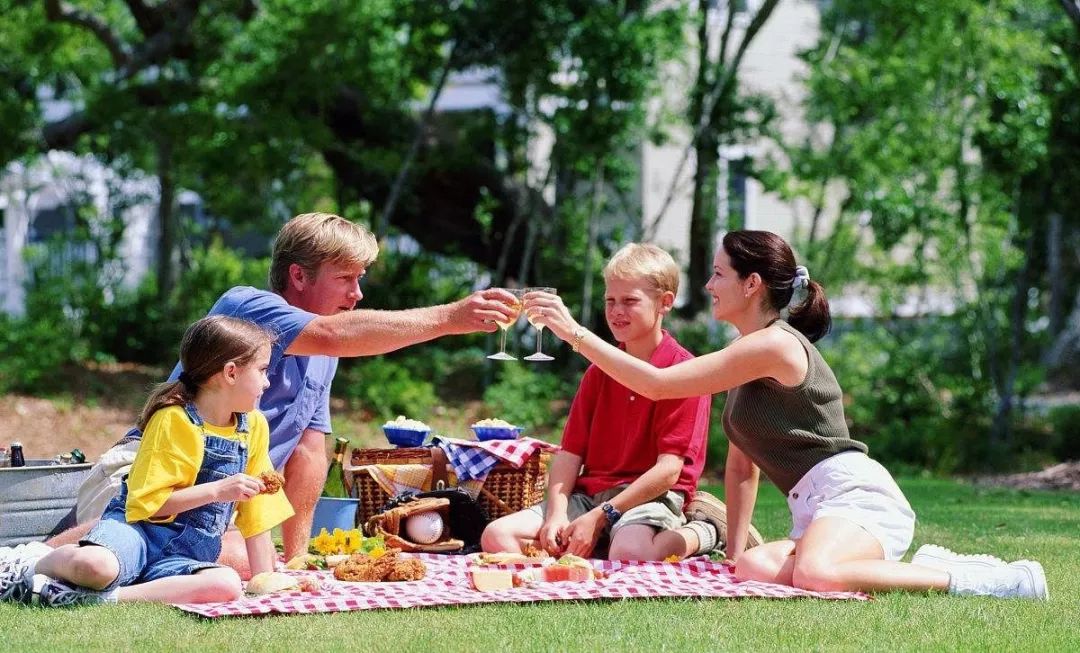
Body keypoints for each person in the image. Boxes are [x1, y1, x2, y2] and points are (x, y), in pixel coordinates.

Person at [523, 230, 1048, 599]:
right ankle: (867, 563)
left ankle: (979, 579)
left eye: (718, 274)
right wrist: (732, 546)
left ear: (751, 285)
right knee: (751, 568)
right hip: (813, 507)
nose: (709, 286)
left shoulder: (773, 346)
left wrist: (573, 333)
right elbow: (741, 466)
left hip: (853, 493)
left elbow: (658, 385)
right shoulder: (746, 350)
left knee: (817, 574)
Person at [1, 212, 517, 576]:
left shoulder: (325, 350)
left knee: (251, 562)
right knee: (196, 550)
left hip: (222, 500)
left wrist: (293, 561)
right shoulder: (246, 308)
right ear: (298, 276)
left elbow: (310, 452)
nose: (358, 294)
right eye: (346, 279)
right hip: (144, 476)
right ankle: (24, 559)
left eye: (360, 280)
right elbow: (337, 333)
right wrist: (450, 318)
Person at [482, 243, 759, 561]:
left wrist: (600, 517)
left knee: (629, 552)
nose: (616, 311)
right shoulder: (598, 373)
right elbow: (569, 456)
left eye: (630, 301)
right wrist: (558, 513)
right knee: (497, 535)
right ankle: (597, 542)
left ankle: (705, 530)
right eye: (610, 301)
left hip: (650, 497)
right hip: (590, 496)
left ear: (664, 303)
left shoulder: (685, 372)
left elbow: (668, 472)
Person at [0, 316, 291, 606]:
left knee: (226, 585)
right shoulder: (173, 420)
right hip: (136, 533)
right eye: (263, 370)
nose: (267, 382)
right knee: (95, 567)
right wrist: (218, 490)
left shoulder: (253, 427)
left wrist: (265, 579)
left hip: (185, 555)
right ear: (230, 373)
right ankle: (27, 565)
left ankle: (98, 599)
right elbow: (146, 503)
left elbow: (258, 511)